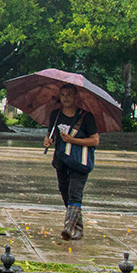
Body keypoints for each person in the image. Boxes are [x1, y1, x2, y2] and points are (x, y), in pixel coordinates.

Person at [43, 83, 100, 241]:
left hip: (79, 161)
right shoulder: (55, 115)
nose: (66, 98)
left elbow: (95, 140)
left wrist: (73, 140)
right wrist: (48, 141)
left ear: (76, 97)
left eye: (69, 95)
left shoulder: (86, 116)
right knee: (65, 191)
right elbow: (50, 135)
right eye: (63, 95)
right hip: (61, 161)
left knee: (75, 193)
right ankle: (78, 228)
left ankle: (68, 227)